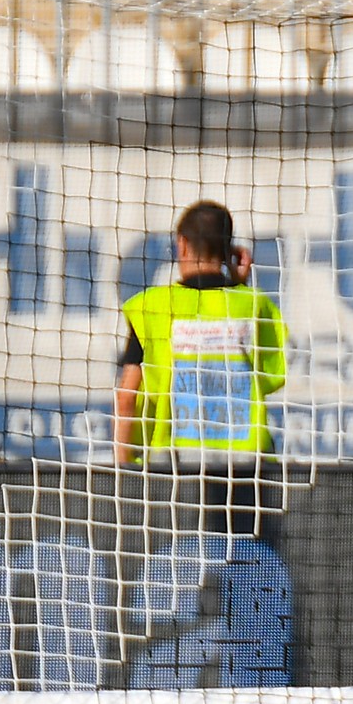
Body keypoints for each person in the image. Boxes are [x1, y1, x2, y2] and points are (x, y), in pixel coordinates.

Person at [114, 200, 286, 538]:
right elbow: (269, 376)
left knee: (176, 563)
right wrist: (238, 286)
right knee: (248, 563)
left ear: (181, 243)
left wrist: (122, 468)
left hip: (173, 461)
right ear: (229, 250)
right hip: (244, 461)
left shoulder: (152, 306)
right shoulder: (253, 305)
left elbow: (125, 398)